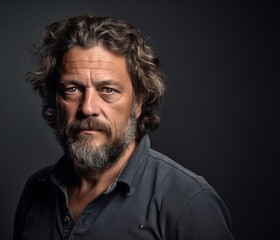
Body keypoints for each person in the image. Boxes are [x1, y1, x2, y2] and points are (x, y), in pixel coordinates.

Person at [13, 14, 234, 240]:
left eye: (108, 90)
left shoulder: (188, 202)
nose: (88, 108)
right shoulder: (36, 190)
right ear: (55, 99)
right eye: (72, 89)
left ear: (137, 103)